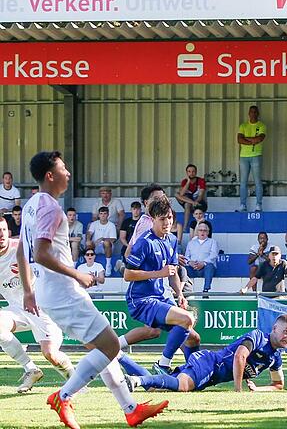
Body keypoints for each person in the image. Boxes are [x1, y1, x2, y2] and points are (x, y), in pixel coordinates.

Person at [17, 151, 168, 428]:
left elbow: (21, 251)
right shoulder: (49, 206)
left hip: (50, 292)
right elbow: (40, 252)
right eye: (63, 168)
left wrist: (28, 291)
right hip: (63, 291)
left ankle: (131, 409)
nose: (68, 173)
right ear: (50, 175)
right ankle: (63, 396)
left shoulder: (30, 205)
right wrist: (78, 273)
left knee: (103, 348)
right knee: (110, 346)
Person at [123, 196, 201, 375]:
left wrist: (179, 293)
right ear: (153, 219)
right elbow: (128, 275)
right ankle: (163, 365)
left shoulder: (172, 240)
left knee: (193, 338)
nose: (167, 222)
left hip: (161, 296)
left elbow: (172, 271)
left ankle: (194, 373)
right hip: (141, 299)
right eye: (162, 218)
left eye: (170, 218)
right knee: (186, 320)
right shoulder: (145, 242)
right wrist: (159, 273)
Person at [125, 314, 287, 393]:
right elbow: (240, 356)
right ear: (275, 328)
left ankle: (118, 356)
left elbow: (278, 385)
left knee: (155, 389)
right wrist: (238, 390)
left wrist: (258, 390)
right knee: (182, 386)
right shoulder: (259, 337)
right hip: (210, 363)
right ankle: (138, 380)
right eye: (286, 331)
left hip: (211, 377)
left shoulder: (275, 358)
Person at [0, 216, 76, 394]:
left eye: (3, 230)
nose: (1, 235)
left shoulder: (21, 246)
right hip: (17, 309)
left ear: (8, 232)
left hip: (41, 306)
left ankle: (76, 382)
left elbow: (47, 257)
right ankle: (30, 369)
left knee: (51, 354)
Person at [237, 105, 266, 213]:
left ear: (257, 114)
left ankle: (259, 204)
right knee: (243, 181)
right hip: (244, 156)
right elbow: (239, 140)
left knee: (257, 181)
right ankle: (242, 205)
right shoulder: (243, 125)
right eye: (251, 112)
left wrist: (246, 139)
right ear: (248, 113)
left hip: (256, 155)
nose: (253, 114)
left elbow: (259, 139)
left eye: (255, 112)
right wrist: (252, 140)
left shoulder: (261, 125)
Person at [184, 221, 219, 298]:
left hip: (205, 268)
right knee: (182, 269)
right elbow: (186, 257)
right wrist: (190, 262)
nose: (202, 232)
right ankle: (184, 292)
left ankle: (205, 291)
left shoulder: (213, 242)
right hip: (192, 268)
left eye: (205, 230)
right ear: (197, 231)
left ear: (208, 232)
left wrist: (203, 263)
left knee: (209, 266)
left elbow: (213, 255)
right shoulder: (191, 243)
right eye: (200, 230)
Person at [175, 164, 207, 233]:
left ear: (196, 172)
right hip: (190, 203)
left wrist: (195, 202)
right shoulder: (185, 181)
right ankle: (185, 227)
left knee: (187, 204)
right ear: (186, 173)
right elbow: (181, 194)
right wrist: (188, 182)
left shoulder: (201, 181)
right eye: (189, 171)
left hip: (199, 204)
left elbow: (201, 195)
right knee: (177, 194)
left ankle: (185, 226)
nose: (191, 173)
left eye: (193, 171)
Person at [87, 206, 117, 276]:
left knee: (106, 243)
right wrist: (88, 240)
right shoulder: (94, 224)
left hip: (107, 247)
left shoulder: (111, 225)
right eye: (101, 213)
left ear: (108, 214)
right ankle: (89, 265)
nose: (103, 215)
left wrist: (103, 239)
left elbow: (113, 239)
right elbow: (89, 233)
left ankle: (108, 265)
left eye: (105, 213)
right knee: (89, 243)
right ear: (98, 215)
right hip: (96, 246)